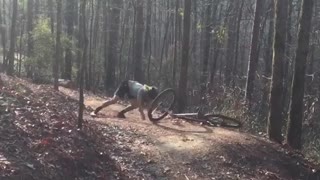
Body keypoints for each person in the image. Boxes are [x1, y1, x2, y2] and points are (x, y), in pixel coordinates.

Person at [90, 80, 159, 120]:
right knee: (114, 100)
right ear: (148, 93)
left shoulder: (150, 94)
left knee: (135, 105)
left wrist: (151, 114)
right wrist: (142, 113)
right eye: (148, 96)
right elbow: (139, 103)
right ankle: (96, 110)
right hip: (126, 85)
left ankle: (121, 113)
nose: (148, 98)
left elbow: (149, 107)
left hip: (132, 92)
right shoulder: (143, 90)